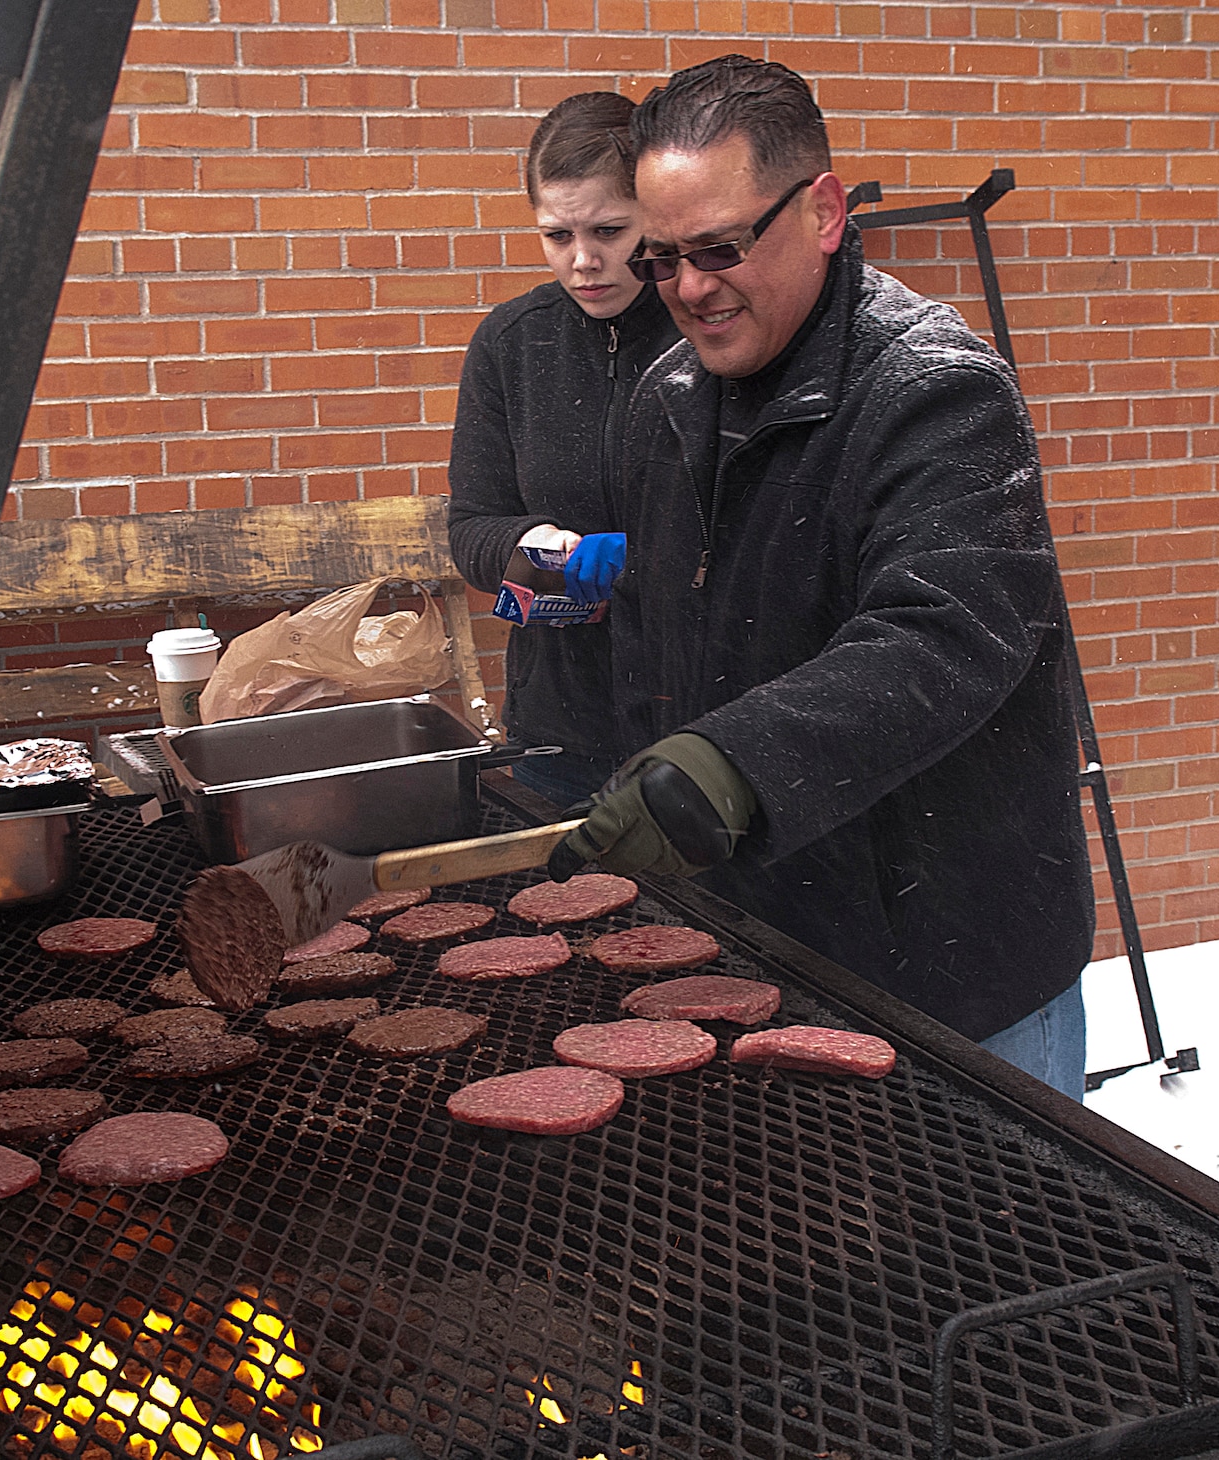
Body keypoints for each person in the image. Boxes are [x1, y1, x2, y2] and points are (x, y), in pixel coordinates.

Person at [548, 56, 1096, 1098]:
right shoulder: (667, 398)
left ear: (824, 211)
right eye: (663, 257)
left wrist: (729, 765)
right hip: (760, 956)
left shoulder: (935, 392)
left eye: (721, 247)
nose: (689, 288)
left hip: (952, 980)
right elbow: (651, 641)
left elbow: (939, 637)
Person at [447, 92, 682, 807]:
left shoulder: (704, 328)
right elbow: (471, 526)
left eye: (610, 230)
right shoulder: (511, 343)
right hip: (561, 727)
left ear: (654, 215)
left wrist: (644, 561)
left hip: (697, 721)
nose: (584, 261)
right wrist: (530, 544)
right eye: (556, 235)